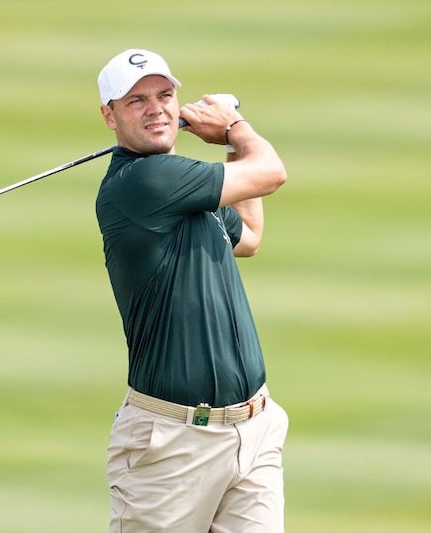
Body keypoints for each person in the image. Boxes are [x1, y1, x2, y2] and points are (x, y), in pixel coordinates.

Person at [95, 48, 289, 533]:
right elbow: (271, 174)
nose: (156, 108)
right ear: (109, 115)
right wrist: (234, 129)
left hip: (253, 430)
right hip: (173, 445)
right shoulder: (144, 182)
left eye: (164, 95)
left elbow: (248, 236)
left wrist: (230, 144)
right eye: (136, 101)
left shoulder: (187, 189)